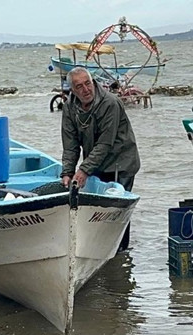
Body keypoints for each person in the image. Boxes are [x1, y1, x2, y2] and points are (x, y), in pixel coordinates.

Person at [60, 67, 141, 250]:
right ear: (72, 90)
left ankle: (121, 252)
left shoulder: (110, 103)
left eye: (87, 83)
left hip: (121, 162)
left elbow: (105, 143)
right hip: (96, 163)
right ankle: (97, 249)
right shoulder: (69, 107)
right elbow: (70, 145)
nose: (85, 89)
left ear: (93, 82)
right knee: (96, 213)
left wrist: (84, 170)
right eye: (79, 86)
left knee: (116, 212)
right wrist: (67, 172)